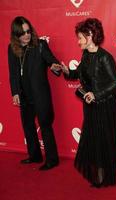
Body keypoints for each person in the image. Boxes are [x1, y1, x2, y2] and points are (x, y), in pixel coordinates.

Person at [60, 18, 116, 187]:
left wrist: (96, 94)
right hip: (91, 105)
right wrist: (67, 71)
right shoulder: (86, 54)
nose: (78, 41)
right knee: (94, 139)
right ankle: (99, 173)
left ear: (89, 36)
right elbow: (79, 74)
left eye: (80, 37)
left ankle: (103, 176)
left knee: (103, 140)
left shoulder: (105, 57)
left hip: (106, 106)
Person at [8, 16, 61, 170]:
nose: (27, 35)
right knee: (28, 126)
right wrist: (15, 92)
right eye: (22, 33)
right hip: (24, 95)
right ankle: (34, 155)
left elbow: (52, 61)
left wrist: (54, 67)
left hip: (40, 95)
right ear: (16, 35)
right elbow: (13, 73)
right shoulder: (12, 49)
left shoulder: (40, 45)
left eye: (28, 31)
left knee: (45, 126)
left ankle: (52, 159)